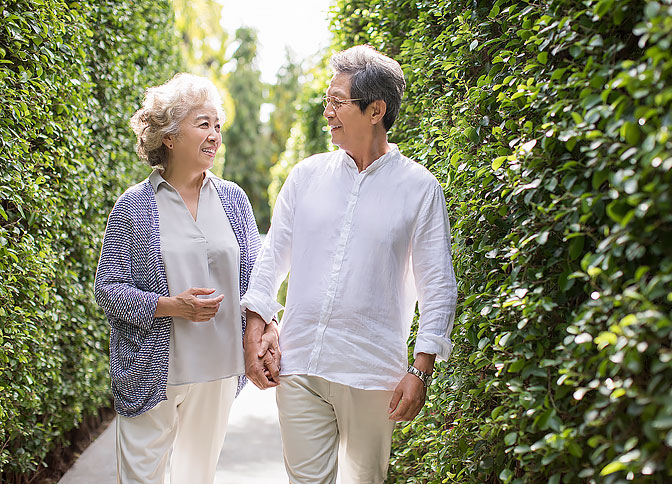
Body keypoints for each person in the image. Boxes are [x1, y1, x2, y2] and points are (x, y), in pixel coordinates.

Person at [242, 45, 457, 484]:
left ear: (375, 109)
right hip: (299, 364)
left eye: (338, 103)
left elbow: (438, 287)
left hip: (371, 372)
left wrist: (421, 370)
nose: (327, 113)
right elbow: (271, 259)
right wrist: (253, 328)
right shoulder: (305, 176)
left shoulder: (419, 189)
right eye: (327, 102)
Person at [94, 73, 279, 484]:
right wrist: (172, 306)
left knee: (197, 478)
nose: (214, 135)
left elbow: (258, 279)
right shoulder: (133, 207)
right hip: (150, 371)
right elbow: (107, 290)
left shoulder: (233, 199)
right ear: (170, 136)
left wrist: (268, 328)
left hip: (216, 369)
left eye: (218, 125)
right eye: (203, 123)